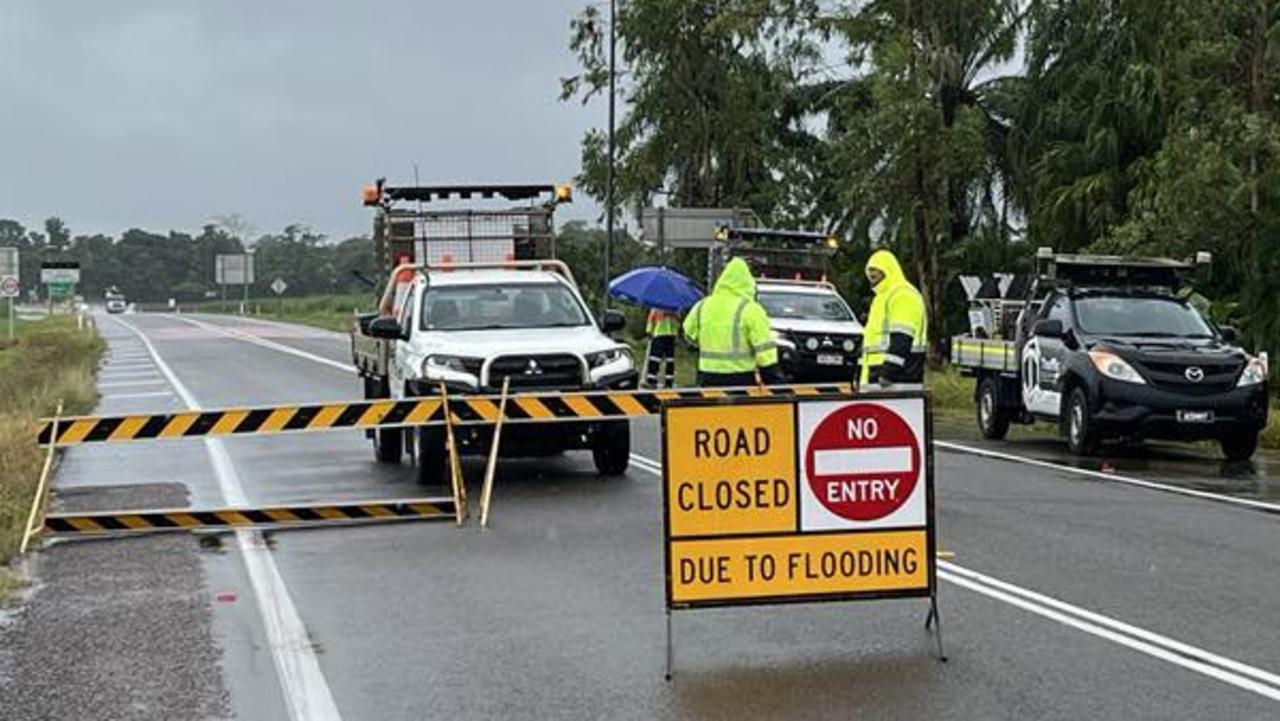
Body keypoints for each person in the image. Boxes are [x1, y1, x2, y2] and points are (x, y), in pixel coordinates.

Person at [682, 258, 781, 387]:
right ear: (748, 283)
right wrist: (774, 381)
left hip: (706, 376)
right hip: (741, 378)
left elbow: (689, 336)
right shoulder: (751, 309)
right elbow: (765, 352)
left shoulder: (702, 305)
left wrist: (708, 344)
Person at [859, 249, 927, 390]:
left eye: (876, 269)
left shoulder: (902, 294)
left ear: (888, 270)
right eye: (869, 270)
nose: (871, 273)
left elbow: (902, 338)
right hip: (879, 380)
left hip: (898, 381)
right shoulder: (881, 297)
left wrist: (888, 373)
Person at [644, 307, 679, 388]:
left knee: (656, 359)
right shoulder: (674, 307)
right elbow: (677, 321)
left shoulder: (657, 305)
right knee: (668, 360)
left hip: (659, 334)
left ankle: (652, 381)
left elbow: (651, 318)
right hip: (670, 335)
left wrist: (649, 330)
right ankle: (668, 382)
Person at [380, 252, 416, 317]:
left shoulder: (417, 285)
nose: (405, 271)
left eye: (407, 264)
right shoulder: (394, 286)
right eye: (402, 265)